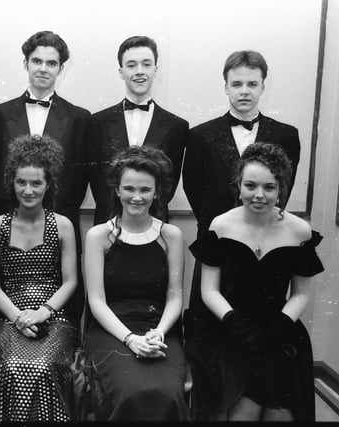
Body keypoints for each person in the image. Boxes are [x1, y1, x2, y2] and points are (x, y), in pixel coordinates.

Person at [185, 142, 324, 421]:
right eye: (250, 185)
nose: (259, 195)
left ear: (280, 188)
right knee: (242, 415)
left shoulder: (299, 231)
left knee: (279, 415)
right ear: (238, 185)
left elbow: (300, 294)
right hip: (228, 328)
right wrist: (238, 324)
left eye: (269, 188)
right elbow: (209, 291)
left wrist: (278, 327)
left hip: (279, 329)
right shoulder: (221, 226)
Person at [182, 50, 301, 317]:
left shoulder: (287, 135)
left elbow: (283, 189)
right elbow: (193, 188)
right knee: (209, 324)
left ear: (262, 87)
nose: (244, 91)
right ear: (225, 87)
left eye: (252, 84)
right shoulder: (200, 136)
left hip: (266, 245)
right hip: (217, 242)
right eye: (236, 84)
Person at [83, 145, 190, 420]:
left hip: (159, 331)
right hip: (112, 331)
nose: (137, 197)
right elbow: (96, 302)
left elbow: (175, 297)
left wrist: (159, 333)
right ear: (117, 190)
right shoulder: (98, 236)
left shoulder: (172, 235)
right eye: (129, 188)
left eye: (145, 189)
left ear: (157, 192)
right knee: (130, 390)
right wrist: (130, 340)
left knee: (167, 392)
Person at [0, 135, 79, 421]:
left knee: (44, 366)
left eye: (36, 183)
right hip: (10, 317)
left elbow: (70, 281)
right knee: (11, 366)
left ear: (48, 185)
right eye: (22, 182)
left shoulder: (62, 225)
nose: (28, 190)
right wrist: (19, 316)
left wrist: (42, 313)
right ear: (12, 182)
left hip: (54, 318)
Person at [0, 31, 90, 279]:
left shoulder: (79, 118)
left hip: (60, 227)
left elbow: (80, 179)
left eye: (51, 63)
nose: (43, 69)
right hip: (9, 227)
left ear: (61, 68)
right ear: (26, 63)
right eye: (37, 61)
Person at [86, 35, 188, 225]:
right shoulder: (97, 122)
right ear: (121, 71)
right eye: (131, 65)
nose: (139, 71)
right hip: (107, 226)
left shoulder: (177, 126)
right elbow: (97, 183)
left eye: (146, 64)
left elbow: (168, 186)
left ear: (156, 70)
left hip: (155, 225)